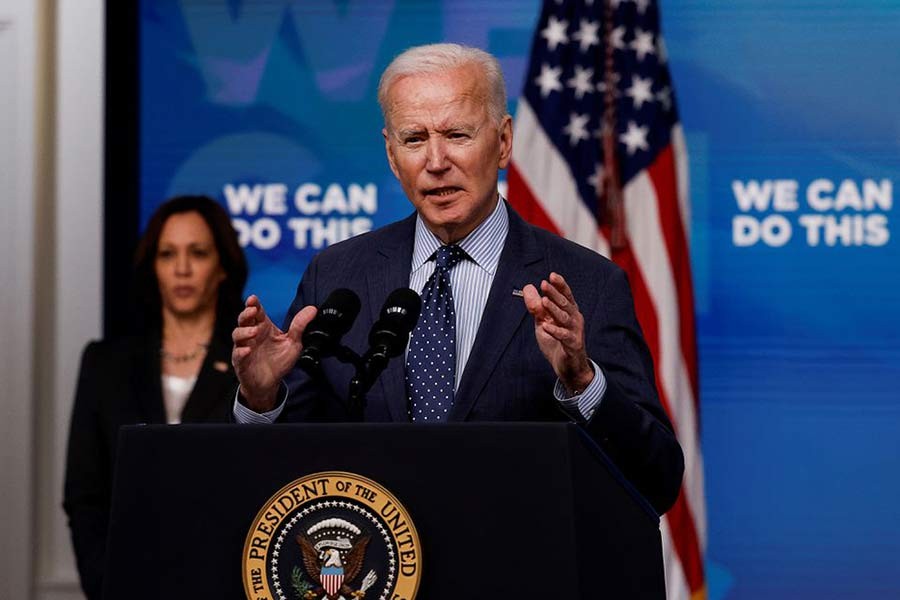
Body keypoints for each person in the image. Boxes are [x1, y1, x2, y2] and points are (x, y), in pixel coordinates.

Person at [231, 44, 684, 514]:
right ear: (390, 153)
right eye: (414, 139)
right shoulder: (337, 275)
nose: (436, 160)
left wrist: (582, 381)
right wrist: (261, 398)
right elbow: (285, 477)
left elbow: (657, 478)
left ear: (504, 141)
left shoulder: (588, 284)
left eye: (457, 134)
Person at [63, 195, 248, 600]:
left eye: (197, 253)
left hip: (226, 581)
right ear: (153, 267)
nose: (182, 268)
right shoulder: (104, 364)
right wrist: (106, 584)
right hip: (128, 582)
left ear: (222, 266)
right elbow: (84, 495)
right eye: (167, 254)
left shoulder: (251, 364)